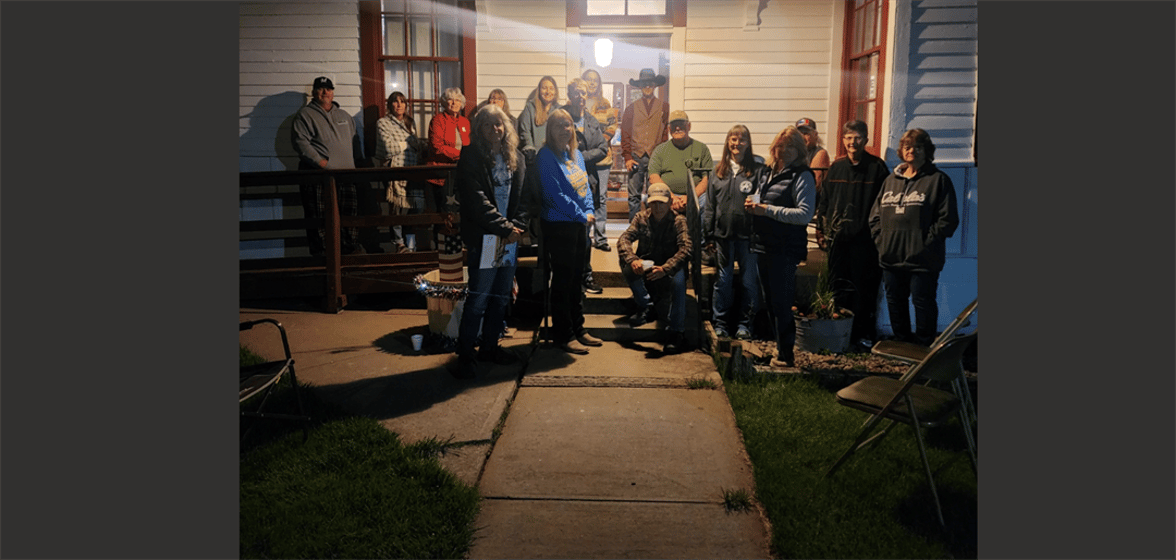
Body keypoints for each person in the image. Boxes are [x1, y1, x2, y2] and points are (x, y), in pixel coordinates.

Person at [451, 104, 533, 379]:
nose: (494, 129)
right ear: (479, 129)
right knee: (479, 298)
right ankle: (465, 354)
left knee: (500, 298)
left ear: (506, 126)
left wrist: (517, 227)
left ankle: (489, 347)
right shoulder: (471, 157)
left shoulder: (517, 158)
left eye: (499, 123)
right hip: (486, 238)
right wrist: (506, 228)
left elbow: (524, 197)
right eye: (488, 124)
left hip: (508, 238)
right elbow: (477, 202)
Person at [869, 128, 959, 346]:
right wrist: (883, 242)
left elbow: (948, 221)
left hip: (923, 261)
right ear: (902, 151)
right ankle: (902, 345)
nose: (912, 151)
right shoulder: (891, 180)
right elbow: (875, 217)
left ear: (926, 151)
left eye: (918, 147)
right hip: (891, 257)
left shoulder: (938, 180)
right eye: (907, 147)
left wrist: (925, 244)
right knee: (895, 302)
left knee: (923, 303)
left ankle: (923, 346)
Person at [745, 126, 815, 368]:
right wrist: (754, 203)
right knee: (771, 300)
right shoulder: (768, 172)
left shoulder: (801, 175)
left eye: (791, 146)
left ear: (800, 150)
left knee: (782, 301)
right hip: (764, 244)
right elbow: (762, 198)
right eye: (781, 145)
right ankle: (779, 349)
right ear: (774, 148)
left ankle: (786, 354)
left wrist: (767, 210)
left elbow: (804, 214)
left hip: (785, 248)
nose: (784, 150)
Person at [816, 120, 890, 348]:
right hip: (838, 240)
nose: (852, 142)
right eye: (848, 137)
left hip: (866, 242)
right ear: (843, 140)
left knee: (864, 289)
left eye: (857, 137)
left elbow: (884, 206)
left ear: (866, 140)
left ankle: (862, 335)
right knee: (838, 287)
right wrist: (821, 229)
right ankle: (839, 334)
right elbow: (825, 202)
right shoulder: (836, 168)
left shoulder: (877, 168)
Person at [535, 109, 602, 355]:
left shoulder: (577, 156)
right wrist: (581, 214)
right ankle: (563, 334)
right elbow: (553, 194)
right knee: (563, 281)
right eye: (559, 125)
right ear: (550, 130)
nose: (565, 129)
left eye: (569, 125)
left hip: (579, 226)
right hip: (559, 225)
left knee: (577, 281)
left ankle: (579, 329)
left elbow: (585, 188)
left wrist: (588, 212)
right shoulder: (545, 156)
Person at [703, 124, 768, 341]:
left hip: (748, 237)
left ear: (748, 144)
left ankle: (744, 325)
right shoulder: (718, 171)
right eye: (733, 139)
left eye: (741, 140)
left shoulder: (757, 171)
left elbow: (761, 202)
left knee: (749, 281)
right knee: (723, 280)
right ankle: (720, 323)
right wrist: (709, 233)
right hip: (723, 236)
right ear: (727, 142)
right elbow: (710, 205)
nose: (736, 144)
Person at [291, 76, 364, 255]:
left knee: (348, 217)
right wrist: (322, 163)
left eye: (328, 89)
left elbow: (355, 143)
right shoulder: (305, 115)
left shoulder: (345, 116)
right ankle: (322, 257)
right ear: (314, 92)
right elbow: (300, 143)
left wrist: (358, 166)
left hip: (346, 177)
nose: (325, 92)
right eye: (321, 88)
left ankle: (348, 254)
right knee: (319, 218)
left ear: (333, 92)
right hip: (319, 176)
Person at [617, 183, 692, 354]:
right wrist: (633, 259)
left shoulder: (679, 220)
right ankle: (646, 305)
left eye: (662, 203)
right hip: (648, 264)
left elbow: (686, 249)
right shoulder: (641, 217)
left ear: (670, 202)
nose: (658, 207)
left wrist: (666, 269)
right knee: (626, 264)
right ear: (648, 203)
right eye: (654, 202)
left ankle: (676, 331)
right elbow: (624, 239)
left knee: (679, 282)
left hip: (670, 265)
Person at [647, 109, 713, 287]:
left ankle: (700, 249)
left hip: (695, 195)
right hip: (667, 195)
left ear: (689, 126)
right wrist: (671, 197)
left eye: (681, 124)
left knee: (706, 203)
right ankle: (662, 249)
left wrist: (689, 197)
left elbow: (707, 178)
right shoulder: (660, 150)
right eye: (674, 125)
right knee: (657, 199)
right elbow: (653, 176)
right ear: (669, 129)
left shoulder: (701, 148)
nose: (677, 127)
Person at [560, 78, 609, 295]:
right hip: (562, 183)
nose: (581, 97)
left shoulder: (591, 121)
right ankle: (568, 280)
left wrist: (580, 157)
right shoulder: (560, 117)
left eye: (584, 93)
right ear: (569, 95)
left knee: (584, 235)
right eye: (577, 93)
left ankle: (586, 276)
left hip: (587, 183)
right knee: (567, 235)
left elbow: (603, 148)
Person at [374, 91, 427, 253]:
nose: (399, 105)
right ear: (390, 105)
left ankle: (410, 242)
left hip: (412, 169)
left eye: (402, 102)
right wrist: (408, 143)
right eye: (395, 102)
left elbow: (416, 146)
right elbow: (387, 148)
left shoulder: (410, 123)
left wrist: (417, 145)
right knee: (396, 207)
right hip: (394, 170)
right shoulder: (383, 123)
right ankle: (399, 243)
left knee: (415, 207)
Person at [424, 87, 471, 255]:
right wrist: (459, 155)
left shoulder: (465, 122)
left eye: (457, 100)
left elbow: (469, 146)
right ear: (444, 102)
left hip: (460, 174)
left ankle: (459, 247)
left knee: (459, 210)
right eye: (450, 100)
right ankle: (442, 249)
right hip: (441, 174)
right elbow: (437, 147)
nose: (454, 103)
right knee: (443, 213)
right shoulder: (438, 120)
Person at [620, 68, 669, 222]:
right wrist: (627, 157)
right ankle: (634, 228)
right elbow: (625, 134)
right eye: (644, 84)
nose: (647, 86)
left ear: (655, 85)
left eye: (650, 83)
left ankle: (651, 227)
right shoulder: (630, 109)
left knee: (654, 193)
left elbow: (664, 136)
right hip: (636, 156)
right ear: (640, 87)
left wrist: (662, 157)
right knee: (633, 195)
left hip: (655, 158)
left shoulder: (664, 107)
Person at [583, 68, 616, 251]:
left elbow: (612, 126)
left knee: (601, 198)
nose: (592, 83)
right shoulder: (578, 103)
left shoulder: (605, 103)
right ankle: (584, 235)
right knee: (585, 195)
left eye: (595, 80)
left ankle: (601, 238)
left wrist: (599, 144)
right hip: (583, 160)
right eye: (588, 79)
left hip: (603, 159)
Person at [517, 76, 560, 163]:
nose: (548, 92)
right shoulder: (530, 107)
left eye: (551, 88)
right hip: (536, 157)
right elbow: (525, 132)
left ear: (555, 92)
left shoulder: (560, 110)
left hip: (555, 158)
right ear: (539, 91)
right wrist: (531, 151)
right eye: (544, 88)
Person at [795, 118, 832, 188]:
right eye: (799, 134)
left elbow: (814, 183)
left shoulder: (820, 153)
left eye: (806, 133)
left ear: (815, 135)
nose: (802, 137)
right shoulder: (794, 153)